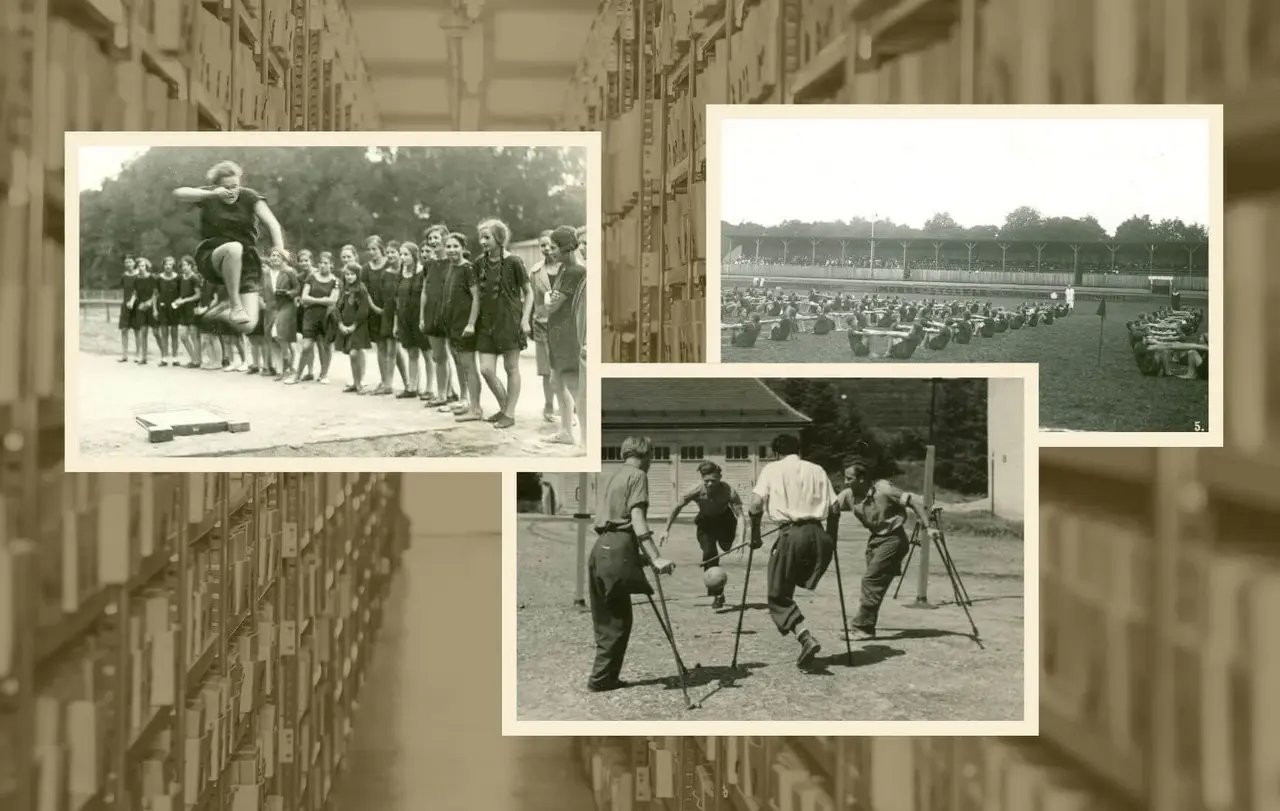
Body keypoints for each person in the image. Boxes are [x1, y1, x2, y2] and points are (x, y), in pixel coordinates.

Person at [586, 436, 675, 692]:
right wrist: (655, 557)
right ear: (647, 455)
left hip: (601, 548)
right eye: (652, 456)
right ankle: (601, 679)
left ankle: (603, 676)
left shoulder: (613, 476)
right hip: (618, 547)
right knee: (619, 620)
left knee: (606, 619)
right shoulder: (638, 476)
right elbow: (637, 520)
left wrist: (637, 557)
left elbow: (607, 520)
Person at [748, 433, 841, 669]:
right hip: (819, 535)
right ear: (799, 450)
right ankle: (803, 635)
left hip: (792, 535)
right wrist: (832, 539)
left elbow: (755, 505)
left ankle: (805, 637)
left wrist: (755, 534)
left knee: (778, 593)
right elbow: (835, 507)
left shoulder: (772, 469)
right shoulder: (817, 469)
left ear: (776, 453)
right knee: (792, 578)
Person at [172, 160, 288, 332]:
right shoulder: (210, 195)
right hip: (214, 255)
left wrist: (279, 248)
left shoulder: (249, 196)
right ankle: (235, 305)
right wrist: (212, 194)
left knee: (248, 325)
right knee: (234, 248)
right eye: (226, 188)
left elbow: (272, 224)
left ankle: (215, 315)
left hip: (246, 261)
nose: (231, 191)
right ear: (217, 186)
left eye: (235, 186)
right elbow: (178, 193)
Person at [837, 457, 938, 640]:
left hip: (894, 539)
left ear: (862, 478)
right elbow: (828, 509)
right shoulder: (848, 495)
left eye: (849, 478)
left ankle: (862, 627)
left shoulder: (884, 489)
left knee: (871, 581)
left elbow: (914, 503)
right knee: (874, 585)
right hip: (875, 540)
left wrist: (928, 526)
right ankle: (867, 626)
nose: (845, 482)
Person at [474, 218, 533, 429]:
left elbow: (529, 293)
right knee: (486, 370)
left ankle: (509, 413)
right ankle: (504, 407)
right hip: (486, 323)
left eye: (487, 237)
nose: (482, 241)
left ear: (499, 238)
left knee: (511, 368)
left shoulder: (514, 262)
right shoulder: (479, 263)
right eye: (481, 237)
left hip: (509, 321)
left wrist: (525, 320)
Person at [659, 461, 743, 609]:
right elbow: (676, 507)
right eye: (706, 481)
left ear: (720, 477)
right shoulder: (696, 490)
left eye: (713, 480)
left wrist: (740, 540)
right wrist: (666, 529)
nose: (710, 484)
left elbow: (740, 516)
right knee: (709, 554)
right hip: (706, 524)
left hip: (725, 522)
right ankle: (717, 594)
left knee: (726, 547)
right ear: (702, 479)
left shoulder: (729, 491)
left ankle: (726, 543)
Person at [541, 226, 586, 446]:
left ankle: (586, 438)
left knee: (574, 385)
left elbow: (552, 305)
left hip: (567, 334)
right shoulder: (564, 269)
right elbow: (552, 300)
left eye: (554, 247)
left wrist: (548, 299)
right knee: (556, 381)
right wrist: (550, 298)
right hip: (557, 332)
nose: (550, 251)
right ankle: (566, 431)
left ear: (567, 247)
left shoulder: (574, 271)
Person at [529, 230, 559, 421]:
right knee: (546, 370)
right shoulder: (535, 272)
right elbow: (534, 300)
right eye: (543, 245)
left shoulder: (569, 269)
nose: (547, 249)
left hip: (564, 325)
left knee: (564, 368)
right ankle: (549, 404)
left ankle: (569, 405)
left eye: (550, 245)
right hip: (542, 324)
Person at [335, 262, 372, 393]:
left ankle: (359, 383)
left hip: (358, 326)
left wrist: (354, 325)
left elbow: (363, 310)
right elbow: (338, 307)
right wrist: (340, 323)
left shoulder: (361, 289)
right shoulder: (344, 289)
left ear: (358, 275)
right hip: (345, 325)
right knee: (352, 355)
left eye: (352, 274)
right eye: (347, 274)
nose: (349, 277)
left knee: (354, 353)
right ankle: (355, 383)